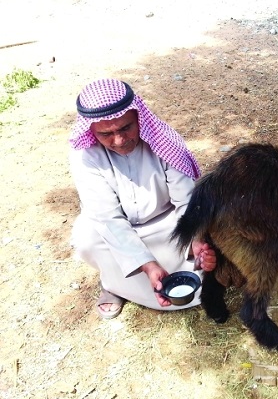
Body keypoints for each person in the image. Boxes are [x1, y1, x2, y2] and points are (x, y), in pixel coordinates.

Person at [69, 78, 216, 319]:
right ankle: (113, 284)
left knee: (206, 263)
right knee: (86, 239)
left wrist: (194, 240)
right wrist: (147, 264)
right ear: (91, 131)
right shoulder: (84, 156)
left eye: (126, 128)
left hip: (168, 223)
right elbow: (108, 218)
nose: (119, 140)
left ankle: (129, 280)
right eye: (106, 134)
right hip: (114, 231)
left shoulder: (164, 141)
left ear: (138, 117)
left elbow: (186, 201)